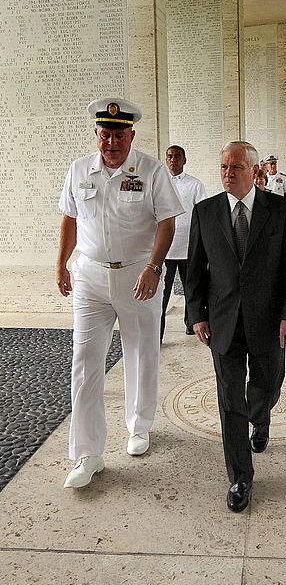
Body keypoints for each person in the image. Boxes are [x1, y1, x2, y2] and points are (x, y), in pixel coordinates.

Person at [56, 98, 184, 489]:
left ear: (132, 135)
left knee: (141, 351)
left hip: (137, 275)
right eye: (105, 134)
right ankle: (87, 453)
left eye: (119, 135)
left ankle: (138, 425)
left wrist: (154, 267)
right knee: (84, 361)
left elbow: (167, 220)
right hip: (90, 277)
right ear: (96, 134)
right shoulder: (79, 170)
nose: (112, 142)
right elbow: (69, 217)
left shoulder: (150, 170)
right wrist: (60, 263)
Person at [186, 141, 286, 512]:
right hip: (223, 321)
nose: (227, 173)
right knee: (229, 400)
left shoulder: (282, 211)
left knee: (268, 383)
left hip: (270, 320)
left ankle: (262, 416)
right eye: (223, 167)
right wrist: (197, 315)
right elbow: (195, 270)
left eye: (235, 167)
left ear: (254, 171)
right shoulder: (204, 212)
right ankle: (240, 476)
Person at [160, 145, 206, 343]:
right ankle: (157, 333)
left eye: (177, 156)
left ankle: (191, 324)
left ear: (184, 160)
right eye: (169, 156)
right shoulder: (159, 183)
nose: (173, 160)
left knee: (192, 290)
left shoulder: (195, 185)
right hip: (165, 250)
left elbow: (202, 215)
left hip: (188, 247)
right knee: (162, 293)